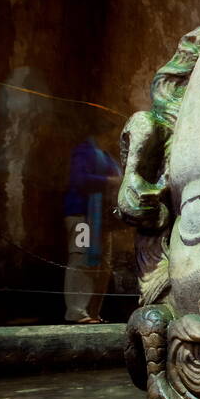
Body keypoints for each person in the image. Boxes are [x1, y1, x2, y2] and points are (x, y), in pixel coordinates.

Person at [63, 136, 123, 322]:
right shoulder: (84, 150)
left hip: (102, 220)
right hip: (82, 214)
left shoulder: (107, 156)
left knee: (103, 265)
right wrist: (110, 181)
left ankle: (93, 312)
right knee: (81, 258)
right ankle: (76, 312)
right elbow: (79, 179)